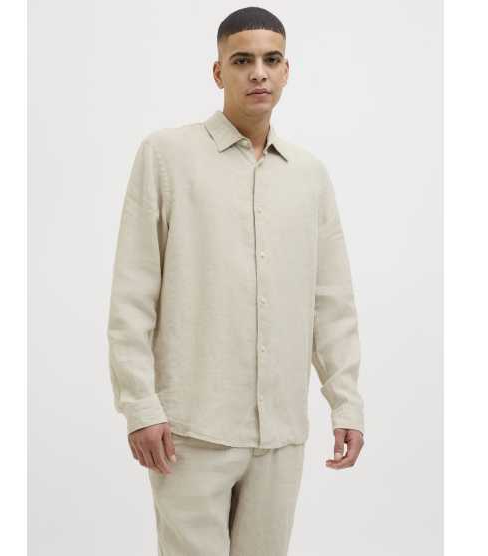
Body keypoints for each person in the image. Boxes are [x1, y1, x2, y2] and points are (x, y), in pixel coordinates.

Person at [107, 6, 365, 555]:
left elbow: (331, 303)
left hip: (280, 433)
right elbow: (133, 294)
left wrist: (346, 403)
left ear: (287, 71)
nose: (258, 73)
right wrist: (140, 406)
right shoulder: (166, 156)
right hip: (190, 429)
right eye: (242, 60)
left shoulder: (309, 175)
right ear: (218, 71)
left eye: (271, 60)